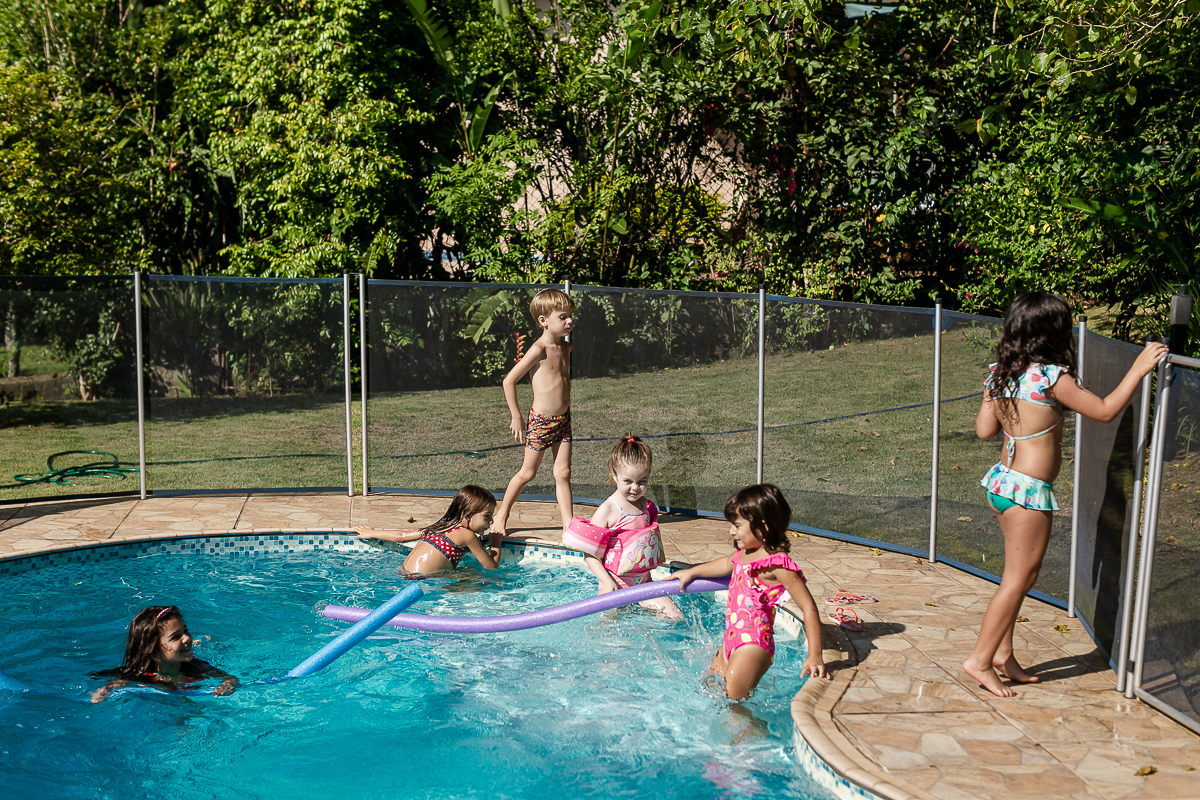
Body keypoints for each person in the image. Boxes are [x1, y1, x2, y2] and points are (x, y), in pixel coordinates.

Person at [963, 291, 1168, 698]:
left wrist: (998, 402)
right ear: (1054, 332)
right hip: (1028, 494)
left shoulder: (999, 373)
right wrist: (1140, 367)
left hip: (1001, 483)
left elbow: (984, 431)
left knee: (1022, 576)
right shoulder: (1053, 378)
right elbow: (1106, 410)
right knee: (1017, 579)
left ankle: (1004, 654)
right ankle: (980, 660)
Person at [671, 484, 828, 700]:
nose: (731, 531)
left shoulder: (777, 563)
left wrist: (815, 655)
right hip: (731, 639)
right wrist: (691, 572)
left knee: (733, 705)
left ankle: (752, 732)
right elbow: (725, 563)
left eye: (737, 525)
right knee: (709, 691)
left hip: (753, 644)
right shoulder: (745, 553)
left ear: (762, 526)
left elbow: (808, 607)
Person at [490, 288, 575, 541]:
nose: (569, 321)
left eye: (570, 316)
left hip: (563, 420)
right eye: (563, 317)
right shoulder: (539, 349)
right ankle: (502, 514)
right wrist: (517, 416)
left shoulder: (566, 348)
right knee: (528, 473)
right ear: (543, 321)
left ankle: (568, 526)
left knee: (563, 473)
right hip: (540, 421)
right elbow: (509, 381)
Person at [581, 435, 681, 618]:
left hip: (644, 584)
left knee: (675, 616)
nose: (635, 487)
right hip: (614, 586)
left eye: (642, 482)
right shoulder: (608, 510)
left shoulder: (647, 507)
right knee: (610, 635)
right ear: (614, 475)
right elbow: (589, 554)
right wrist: (606, 582)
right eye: (628, 481)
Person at [91, 606, 238, 702]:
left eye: (185, 631)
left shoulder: (198, 667)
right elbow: (112, 684)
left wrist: (227, 684)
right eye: (175, 637)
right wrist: (104, 692)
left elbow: (231, 678)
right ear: (152, 650)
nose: (187, 638)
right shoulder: (140, 675)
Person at [352, 485, 500, 575]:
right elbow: (491, 566)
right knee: (474, 575)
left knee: (464, 571)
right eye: (486, 516)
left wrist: (370, 532)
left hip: (403, 573)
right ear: (466, 515)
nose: (491, 521)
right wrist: (495, 543)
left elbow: (402, 536)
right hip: (424, 581)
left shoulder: (441, 526)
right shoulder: (468, 536)